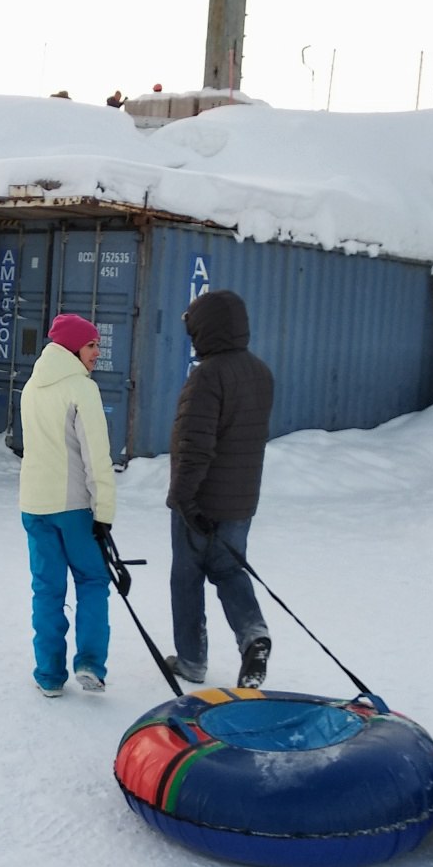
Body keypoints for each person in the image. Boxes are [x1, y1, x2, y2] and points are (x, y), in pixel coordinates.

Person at [165, 290, 275, 688]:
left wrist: (183, 498)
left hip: (201, 501)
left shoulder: (208, 376)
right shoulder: (260, 372)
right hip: (241, 502)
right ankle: (254, 636)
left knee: (187, 578)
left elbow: (196, 445)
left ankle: (192, 661)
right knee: (229, 570)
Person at [19, 313, 118, 696]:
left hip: (34, 504)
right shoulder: (81, 389)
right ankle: (90, 663)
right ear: (74, 348)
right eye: (92, 345)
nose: (97, 352)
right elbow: (97, 457)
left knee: (47, 590)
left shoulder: (32, 386)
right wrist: (104, 513)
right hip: (74, 506)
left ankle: (48, 675)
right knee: (93, 581)